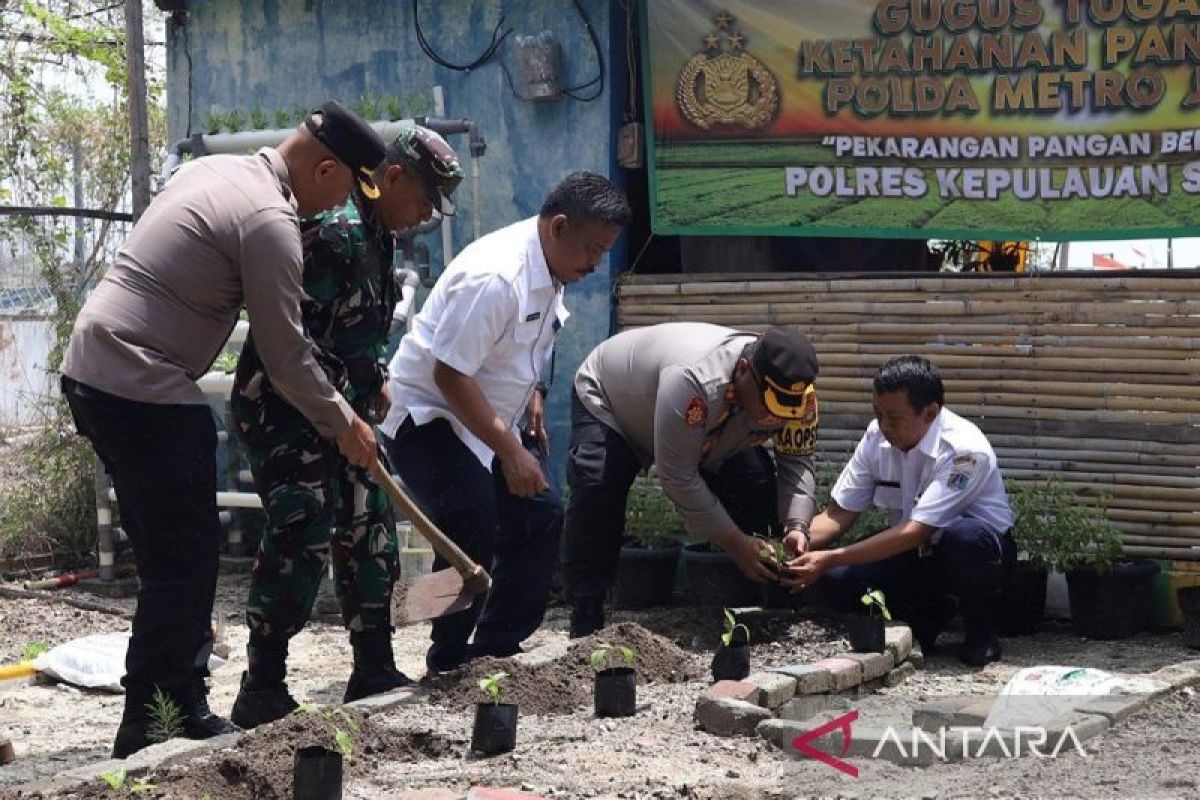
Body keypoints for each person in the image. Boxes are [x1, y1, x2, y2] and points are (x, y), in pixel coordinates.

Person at [60, 101, 387, 758]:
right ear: (325, 168)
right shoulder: (270, 220)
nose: (338, 207)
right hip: (141, 381)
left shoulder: (216, 173)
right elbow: (287, 355)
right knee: (184, 562)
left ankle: (171, 705)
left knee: (172, 559)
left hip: (96, 369)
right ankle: (156, 721)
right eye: (345, 188)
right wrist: (345, 423)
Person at [228, 126, 464, 729]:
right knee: (301, 529)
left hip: (348, 412)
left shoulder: (380, 236)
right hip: (286, 410)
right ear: (391, 179)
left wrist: (374, 376)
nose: (424, 217)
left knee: (369, 530)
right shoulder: (335, 233)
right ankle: (263, 685)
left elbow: (353, 327)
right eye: (422, 201)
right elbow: (288, 340)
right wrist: (338, 409)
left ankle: (373, 666)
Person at [379, 171, 631, 672]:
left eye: (604, 251)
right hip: (428, 415)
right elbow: (449, 374)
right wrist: (510, 449)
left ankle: (494, 648)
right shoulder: (498, 277)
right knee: (472, 527)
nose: (596, 264)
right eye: (592, 250)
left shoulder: (552, 265)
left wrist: (532, 393)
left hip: (486, 418)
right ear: (558, 226)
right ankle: (441, 652)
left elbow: (523, 343)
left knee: (539, 517)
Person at [562, 323, 821, 637]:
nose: (776, 418)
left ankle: (775, 601)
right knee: (598, 485)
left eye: (784, 411)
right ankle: (586, 614)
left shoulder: (800, 397)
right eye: (769, 405)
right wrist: (736, 544)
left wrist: (797, 525)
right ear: (742, 371)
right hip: (613, 401)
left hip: (712, 429)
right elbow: (678, 476)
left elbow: (796, 461)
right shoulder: (695, 380)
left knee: (754, 482)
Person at [790, 355, 1015, 666]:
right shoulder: (875, 437)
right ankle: (927, 618)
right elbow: (838, 514)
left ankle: (982, 634)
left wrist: (831, 556)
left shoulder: (965, 451)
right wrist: (793, 541)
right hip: (915, 552)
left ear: (931, 413)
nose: (883, 426)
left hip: (974, 553)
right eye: (878, 414)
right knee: (835, 580)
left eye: (894, 418)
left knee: (965, 538)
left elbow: (918, 530)